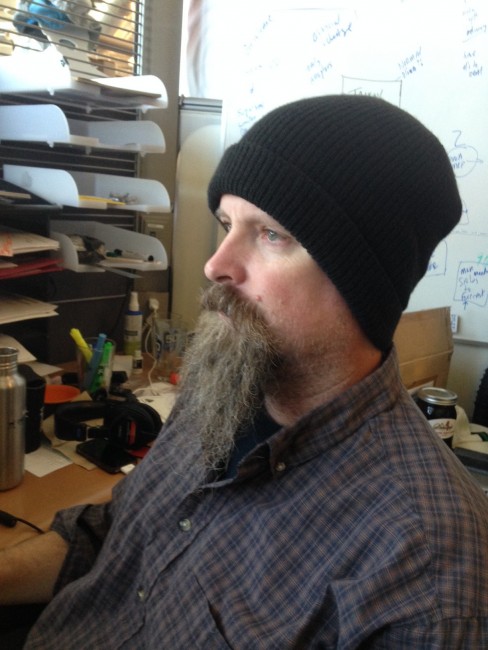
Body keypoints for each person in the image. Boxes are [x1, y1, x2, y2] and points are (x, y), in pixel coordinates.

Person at [2, 94, 488, 648]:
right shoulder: (220, 392)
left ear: (363, 283)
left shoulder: (426, 574)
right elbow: (116, 534)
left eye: (271, 234)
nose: (215, 264)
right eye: (226, 223)